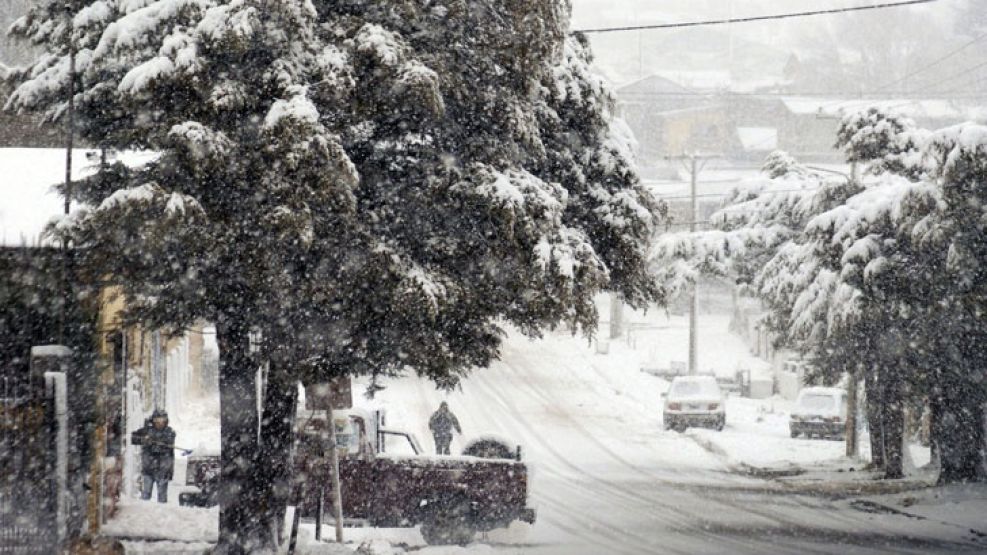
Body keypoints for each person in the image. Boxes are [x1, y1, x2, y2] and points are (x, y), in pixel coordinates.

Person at [131, 409, 176, 503]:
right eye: (157, 420)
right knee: (146, 494)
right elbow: (133, 438)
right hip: (148, 469)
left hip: (163, 470)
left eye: (162, 420)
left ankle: (162, 514)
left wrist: (155, 442)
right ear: (153, 420)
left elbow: (167, 445)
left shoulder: (169, 432)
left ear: (166, 421)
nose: (159, 423)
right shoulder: (147, 430)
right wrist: (143, 440)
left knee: (162, 496)